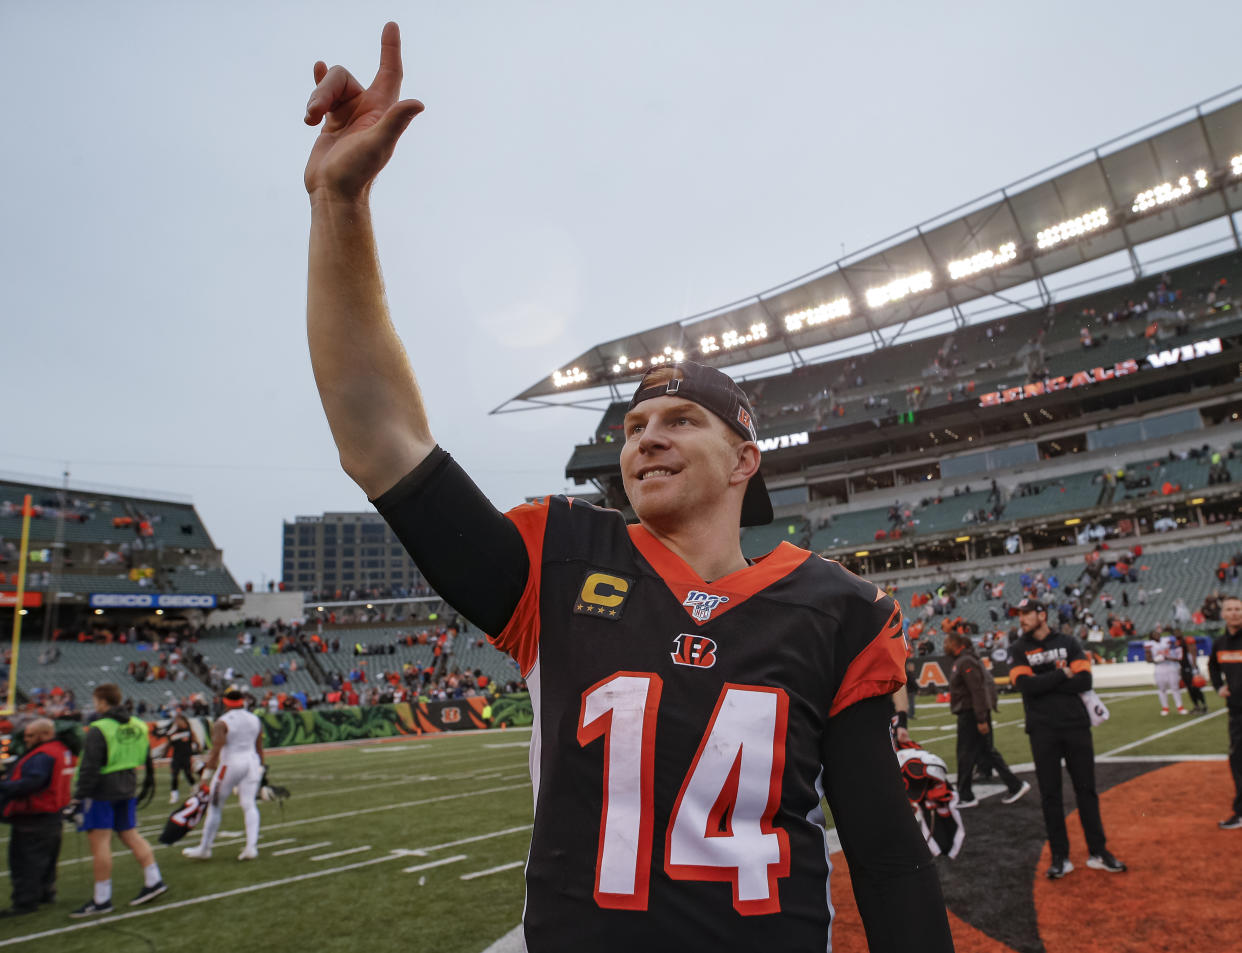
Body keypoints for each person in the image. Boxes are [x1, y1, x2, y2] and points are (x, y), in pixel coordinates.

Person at [303, 23, 952, 952]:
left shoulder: (837, 610)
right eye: (635, 426)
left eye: (680, 420)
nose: (646, 437)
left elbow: (887, 859)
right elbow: (381, 439)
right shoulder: (560, 558)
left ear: (744, 461)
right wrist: (340, 202)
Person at [1007, 599, 1126, 879]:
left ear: (1042, 614)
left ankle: (1099, 851)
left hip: (1075, 726)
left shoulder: (1069, 641)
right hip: (1042, 729)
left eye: (1026, 614)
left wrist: (1045, 683)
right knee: (1050, 794)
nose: (1021, 619)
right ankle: (1060, 857)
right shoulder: (1017, 648)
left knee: (1087, 790)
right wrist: (1062, 674)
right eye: (1018, 614)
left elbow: (1085, 681)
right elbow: (1024, 686)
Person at [69, 684, 167, 916]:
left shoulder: (99, 728)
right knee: (130, 833)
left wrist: (78, 798)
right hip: (128, 785)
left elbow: (90, 767)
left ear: (102, 702)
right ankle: (154, 880)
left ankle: (102, 899)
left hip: (102, 790)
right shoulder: (139, 725)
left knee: (100, 842)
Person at [942, 633, 1029, 808]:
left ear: (956, 644)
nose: (945, 646)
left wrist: (981, 718)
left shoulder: (965, 662)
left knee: (966, 754)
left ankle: (966, 795)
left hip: (971, 714)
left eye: (947, 642)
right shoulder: (963, 660)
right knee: (985, 752)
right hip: (972, 713)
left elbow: (977, 690)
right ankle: (1015, 785)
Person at [0, 719, 75, 916]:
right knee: (46, 858)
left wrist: (5, 786)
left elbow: (32, 783)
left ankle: (25, 902)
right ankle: (45, 892)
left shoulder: (43, 755)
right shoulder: (60, 749)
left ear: (45, 734)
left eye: (30, 736)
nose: (26, 740)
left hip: (35, 816)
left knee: (25, 861)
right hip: (52, 814)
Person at [181, 688, 265, 860]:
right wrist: (262, 770)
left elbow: (216, 750)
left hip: (231, 764)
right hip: (251, 763)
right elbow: (259, 748)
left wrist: (205, 777)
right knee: (249, 805)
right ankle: (251, 847)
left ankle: (205, 848)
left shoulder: (222, 722)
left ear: (225, 702)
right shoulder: (255, 719)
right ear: (243, 701)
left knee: (214, 806)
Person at [1208, 595, 1242, 829]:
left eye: (1238, 609)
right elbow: (1212, 667)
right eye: (1229, 609)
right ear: (1222, 614)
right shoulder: (1219, 643)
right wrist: (1219, 686)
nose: (1234, 613)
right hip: (1237, 713)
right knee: (1238, 761)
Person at [1146, 630, 1187, 715]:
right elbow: (1148, 659)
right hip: (1159, 668)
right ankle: (1165, 708)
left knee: (1175, 687)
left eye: (1157, 633)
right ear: (1151, 636)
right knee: (1162, 689)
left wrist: (1168, 657)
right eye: (1154, 634)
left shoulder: (1168, 640)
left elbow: (1177, 653)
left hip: (1171, 666)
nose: (1157, 635)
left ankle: (1180, 707)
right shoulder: (1149, 644)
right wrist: (1155, 660)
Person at [164, 712, 200, 803]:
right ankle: (174, 795)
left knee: (188, 774)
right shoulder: (174, 733)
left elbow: (195, 741)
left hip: (187, 757)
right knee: (175, 776)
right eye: (177, 721)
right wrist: (164, 752)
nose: (178, 723)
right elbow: (168, 744)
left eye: (179, 721)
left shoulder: (189, 731)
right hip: (176, 757)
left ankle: (195, 789)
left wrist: (197, 747)